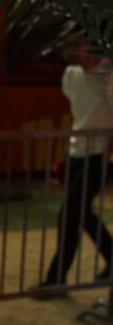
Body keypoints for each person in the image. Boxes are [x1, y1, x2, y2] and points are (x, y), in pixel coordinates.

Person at [39, 37, 113, 292]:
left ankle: (55, 278)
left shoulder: (107, 73)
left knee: (69, 213)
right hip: (76, 150)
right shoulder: (71, 74)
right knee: (82, 214)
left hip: (98, 153)